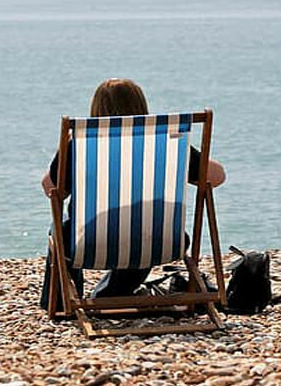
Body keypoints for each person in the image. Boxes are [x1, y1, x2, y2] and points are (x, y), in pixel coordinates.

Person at [39, 78, 226, 309]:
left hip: (88, 243)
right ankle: (111, 295)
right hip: (162, 241)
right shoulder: (167, 142)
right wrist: (185, 155)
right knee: (144, 225)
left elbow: (51, 190)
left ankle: (59, 302)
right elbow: (217, 177)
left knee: (59, 227)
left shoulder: (80, 142)